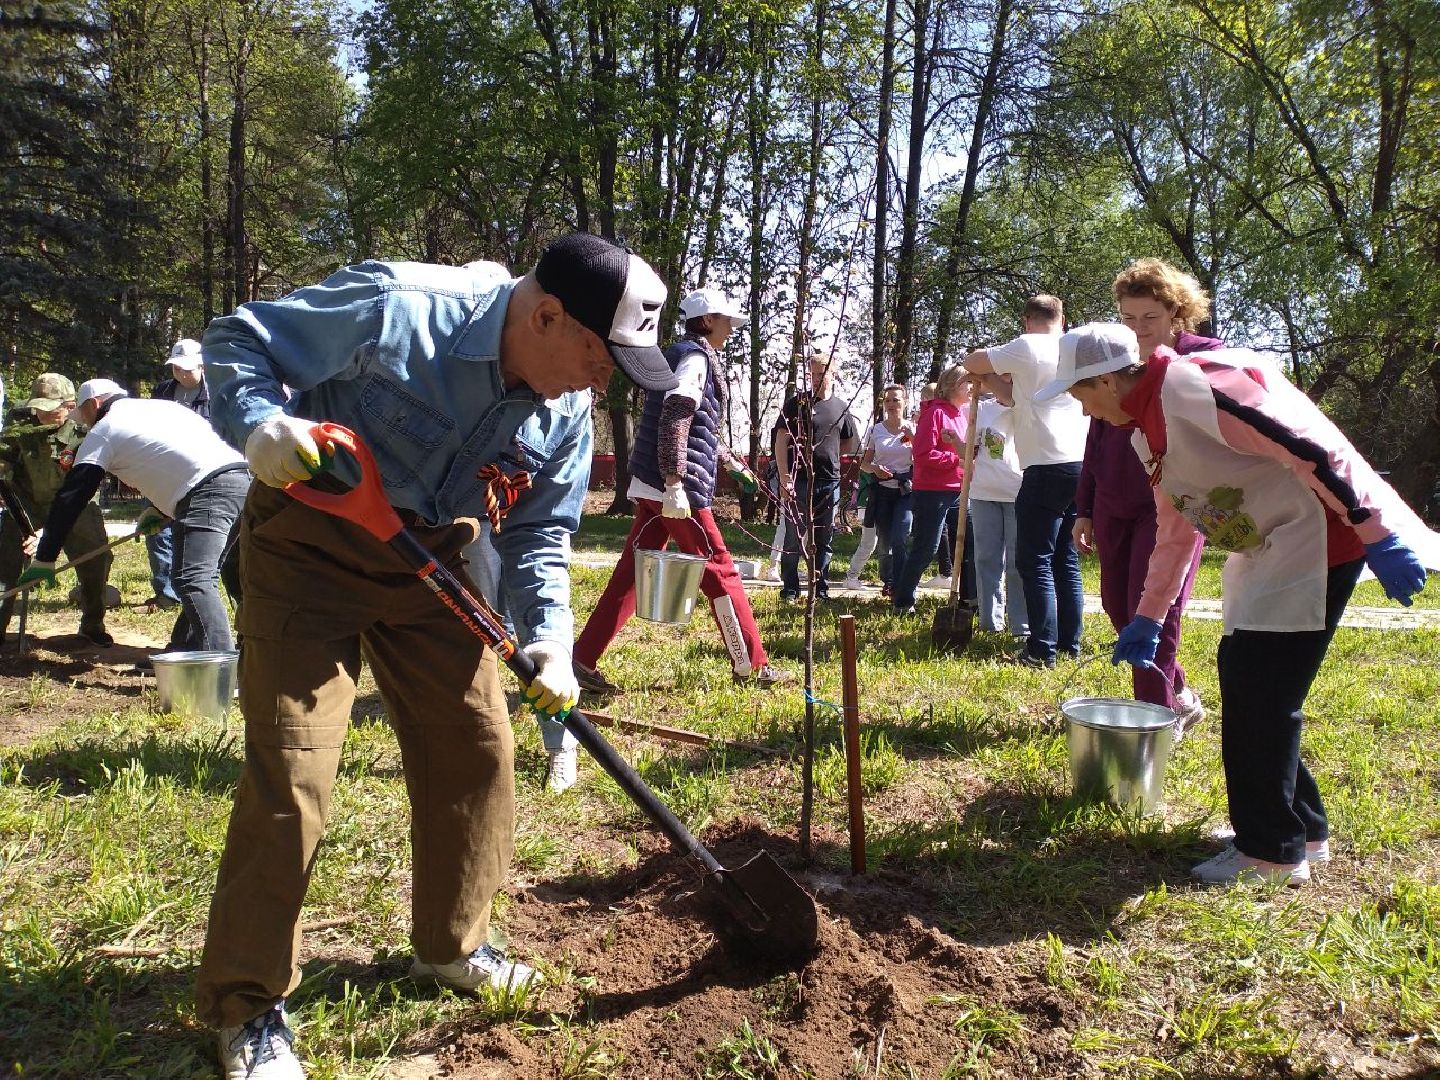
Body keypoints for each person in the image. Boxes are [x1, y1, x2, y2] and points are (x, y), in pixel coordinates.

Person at [195, 233, 677, 1080]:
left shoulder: (563, 410)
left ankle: (453, 944)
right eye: (601, 358)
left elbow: (539, 534)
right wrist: (262, 423)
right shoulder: (398, 309)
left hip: (432, 558)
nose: (605, 384)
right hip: (310, 538)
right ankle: (249, 1004)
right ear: (546, 315)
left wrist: (551, 640)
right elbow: (241, 338)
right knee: (295, 767)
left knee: (478, 748)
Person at [1039, 322, 1438, 886]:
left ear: (1105, 380)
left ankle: (1271, 851)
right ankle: (1303, 829)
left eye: (1079, 393)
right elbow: (1176, 529)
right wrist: (1148, 616)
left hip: (1317, 540)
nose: (1082, 411)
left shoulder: (1197, 388)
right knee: (1257, 686)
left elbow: (1308, 447)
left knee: (1261, 690)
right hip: (1270, 544)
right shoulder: (1146, 429)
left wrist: (1374, 531)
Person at [573, 287, 787, 704]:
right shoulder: (695, 358)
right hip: (675, 488)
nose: (731, 327)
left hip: (657, 483)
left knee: (634, 571)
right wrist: (675, 482)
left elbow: (696, 424)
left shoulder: (681, 355)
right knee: (720, 568)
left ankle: (581, 659)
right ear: (707, 321)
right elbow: (676, 415)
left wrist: (729, 461)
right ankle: (752, 664)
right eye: (726, 320)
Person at [1073, 260, 1217, 728]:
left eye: (1149, 318)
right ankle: (1176, 692)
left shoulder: (1201, 361)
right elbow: (1095, 441)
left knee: (1154, 609)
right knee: (1119, 607)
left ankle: (1155, 722)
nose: (1138, 329)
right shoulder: (1114, 363)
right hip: (1114, 504)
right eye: (1128, 319)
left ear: (1176, 312)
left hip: (1170, 509)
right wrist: (1085, 509)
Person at [18, 379, 248, 652]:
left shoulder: (104, 429)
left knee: (193, 579)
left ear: (94, 404)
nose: (85, 423)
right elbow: (182, 457)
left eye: (85, 414)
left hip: (206, 492)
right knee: (199, 577)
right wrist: (160, 510)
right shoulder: (166, 409)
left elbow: (73, 496)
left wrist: (46, 555)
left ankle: (220, 669)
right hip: (242, 480)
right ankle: (182, 654)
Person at [964, 295, 1087, 668]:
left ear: (1027, 320)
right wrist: (990, 381)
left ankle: (1041, 649)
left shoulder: (1027, 345)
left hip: (1045, 466)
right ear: (1062, 318)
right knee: (1065, 558)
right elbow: (1018, 400)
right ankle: (1068, 642)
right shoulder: (1075, 348)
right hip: (1079, 464)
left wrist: (984, 369)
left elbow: (971, 360)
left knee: (1034, 560)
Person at [0, 374, 116, 646]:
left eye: (51, 408)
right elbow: (3, 464)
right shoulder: (19, 425)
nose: (42, 413)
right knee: (5, 564)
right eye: (38, 406)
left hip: (76, 503)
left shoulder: (85, 429)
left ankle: (92, 624)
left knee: (95, 561)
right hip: (27, 503)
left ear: (69, 405)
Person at [775, 352, 859, 601]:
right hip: (798, 479)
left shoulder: (841, 407)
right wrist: (784, 476)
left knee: (824, 538)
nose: (816, 378)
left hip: (828, 482)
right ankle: (790, 588)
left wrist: (828, 457)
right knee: (793, 536)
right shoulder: (797, 403)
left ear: (833, 374)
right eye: (812, 373)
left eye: (822, 372)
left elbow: (846, 442)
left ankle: (819, 588)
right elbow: (781, 440)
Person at [891, 365, 971, 614]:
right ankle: (903, 601)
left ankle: (969, 600)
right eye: (966, 383)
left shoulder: (962, 414)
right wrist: (957, 461)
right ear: (951, 387)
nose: (971, 388)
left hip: (959, 489)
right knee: (927, 548)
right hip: (933, 492)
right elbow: (923, 454)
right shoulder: (935, 413)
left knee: (969, 543)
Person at [143, 338, 215, 613]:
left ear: (202, 366)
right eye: (177, 368)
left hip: (201, 472)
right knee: (157, 532)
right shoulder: (161, 392)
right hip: (163, 470)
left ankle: (195, 590)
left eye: (188, 369)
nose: (182, 374)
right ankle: (165, 594)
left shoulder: (215, 394)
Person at [968, 393, 1027, 638]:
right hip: (983, 491)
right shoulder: (981, 408)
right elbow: (970, 449)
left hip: (1018, 492)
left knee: (1017, 562)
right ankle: (990, 621)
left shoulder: (1027, 404)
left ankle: (1021, 625)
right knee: (986, 558)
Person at [847, 383, 913, 594]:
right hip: (882, 491)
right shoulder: (876, 429)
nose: (891, 404)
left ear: (905, 402)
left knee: (900, 536)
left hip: (906, 491)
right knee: (884, 543)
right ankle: (889, 581)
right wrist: (875, 468)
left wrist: (914, 438)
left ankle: (902, 581)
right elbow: (864, 463)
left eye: (896, 400)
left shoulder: (913, 429)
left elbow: (923, 459)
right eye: (888, 400)